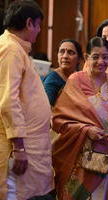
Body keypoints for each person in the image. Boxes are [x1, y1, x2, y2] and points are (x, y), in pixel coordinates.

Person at [51, 36, 108, 200]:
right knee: (76, 195)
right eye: (95, 56)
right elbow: (58, 120)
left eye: (105, 57)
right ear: (86, 57)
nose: (101, 61)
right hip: (79, 153)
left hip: (107, 158)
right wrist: (86, 130)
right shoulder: (76, 80)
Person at [0, 1, 54, 200]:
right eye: (39, 25)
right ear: (29, 23)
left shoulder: (16, 49)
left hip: (30, 145)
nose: (39, 30)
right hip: (18, 148)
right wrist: (19, 147)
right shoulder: (10, 49)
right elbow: (7, 101)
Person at [43, 39, 83, 106]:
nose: (65, 56)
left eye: (70, 52)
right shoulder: (51, 80)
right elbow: (47, 109)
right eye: (62, 52)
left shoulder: (81, 78)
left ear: (79, 59)